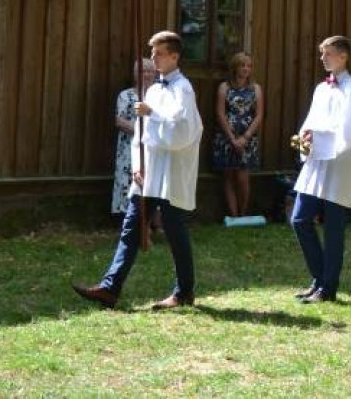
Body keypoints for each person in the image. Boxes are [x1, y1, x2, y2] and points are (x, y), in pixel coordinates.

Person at [74, 31, 203, 310]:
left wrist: (152, 113)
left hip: (170, 173)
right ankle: (110, 288)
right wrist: (137, 165)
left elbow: (185, 129)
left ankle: (184, 292)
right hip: (148, 172)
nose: (153, 58)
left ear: (174, 56)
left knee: (174, 230)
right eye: (153, 53)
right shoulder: (154, 90)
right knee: (131, 227)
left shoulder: (183, 89)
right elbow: (140, 134)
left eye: (158, 53)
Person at [291, 36, 351, 303]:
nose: (322, 58)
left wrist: (321, 138)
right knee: (299, 219)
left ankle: (328, 287)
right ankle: (319, 278)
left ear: (343, 56)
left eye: (328, 53)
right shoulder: (322, 88)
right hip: (317, 162)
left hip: (339, 164)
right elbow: (312, 120)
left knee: (334, 228)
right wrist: (305, 136)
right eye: (321, 53)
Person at [212, 51, 264, 218]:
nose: (245, 69)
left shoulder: (255, 88)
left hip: (248, 137)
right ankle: (233, 215)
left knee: (242, 177)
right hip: (227, 137)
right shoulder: (224, 87)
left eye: (249, 66)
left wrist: (246, 137)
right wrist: (232, 139)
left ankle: (243, 213)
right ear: (235, 67)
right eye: (242, 65)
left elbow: (259, 114)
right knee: (228, 175)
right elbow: (220, 113)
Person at [111, 58, 156, 216]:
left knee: (152, 184)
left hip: (154, 148)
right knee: (130, 183)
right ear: (136, 74)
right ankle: (130, 223)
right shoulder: (126, 95)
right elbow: (119, 121)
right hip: (130, 147)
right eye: (143, 71)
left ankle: (153, 224)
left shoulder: (159, 96)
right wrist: (142, 133)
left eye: (150, 71)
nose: (147, 74)